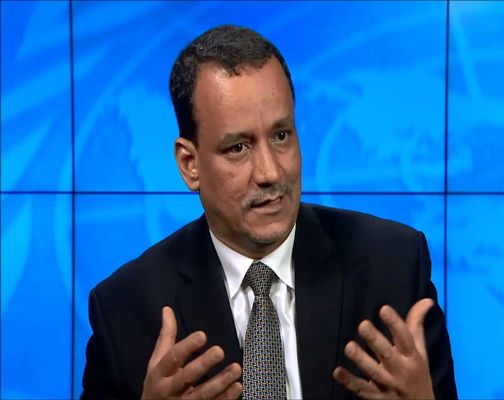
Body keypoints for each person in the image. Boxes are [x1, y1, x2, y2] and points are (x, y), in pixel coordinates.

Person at [81, 25, 457, 399]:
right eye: (238, 147)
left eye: (281, 136)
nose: (270, 172)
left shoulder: (393, 267)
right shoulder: (125, 310)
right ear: (190, 164)